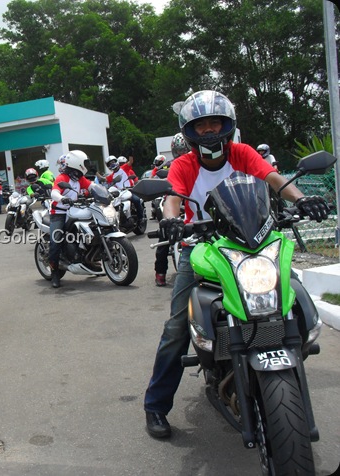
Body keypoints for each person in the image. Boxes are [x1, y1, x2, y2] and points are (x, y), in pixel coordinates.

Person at [143, 90, 329, 439]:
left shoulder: (242, 153)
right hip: (202, 248)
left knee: (289, 294)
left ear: (227, 125)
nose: (209, 130)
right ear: (190, 131)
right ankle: (155, 405)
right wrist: (170, 220)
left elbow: (274, 179)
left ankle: (292, 348)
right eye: (201, 125)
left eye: (215, 123)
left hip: (252, 243)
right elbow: (172, 197)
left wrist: (303, 199)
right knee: (177, 329)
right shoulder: (184, 164)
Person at [48, 150, 94, 288]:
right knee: (56, 241)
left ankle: (89, 259)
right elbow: (54, 193)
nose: (87, 165)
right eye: (85, 163)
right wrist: (62, 198)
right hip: (59, 213)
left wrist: (107, 192)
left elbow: (92, 186)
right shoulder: (62, 178)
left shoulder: (79, 178)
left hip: (75, 211)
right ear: (78, 164)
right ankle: (54, 272)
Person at [153, 133, 190, 287]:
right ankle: (160, 272)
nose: (181, 153)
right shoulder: (167, 165)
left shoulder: (196, 162)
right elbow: (156, 178)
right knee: (164, 234)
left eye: (184, 150)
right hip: (171, 201)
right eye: (178, 150)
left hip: (190, 201)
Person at [105, 154, 145, 224]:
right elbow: (103, 179)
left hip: (130, 189)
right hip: (120, 192)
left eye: (113, 162)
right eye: (110, 163)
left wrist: (130, 154)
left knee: (136, 200)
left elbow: (131, 161)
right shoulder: (111, 176)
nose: (112, 164)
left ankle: (141, 218)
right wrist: (96, 173)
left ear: (116, 161)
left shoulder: (124, 168)